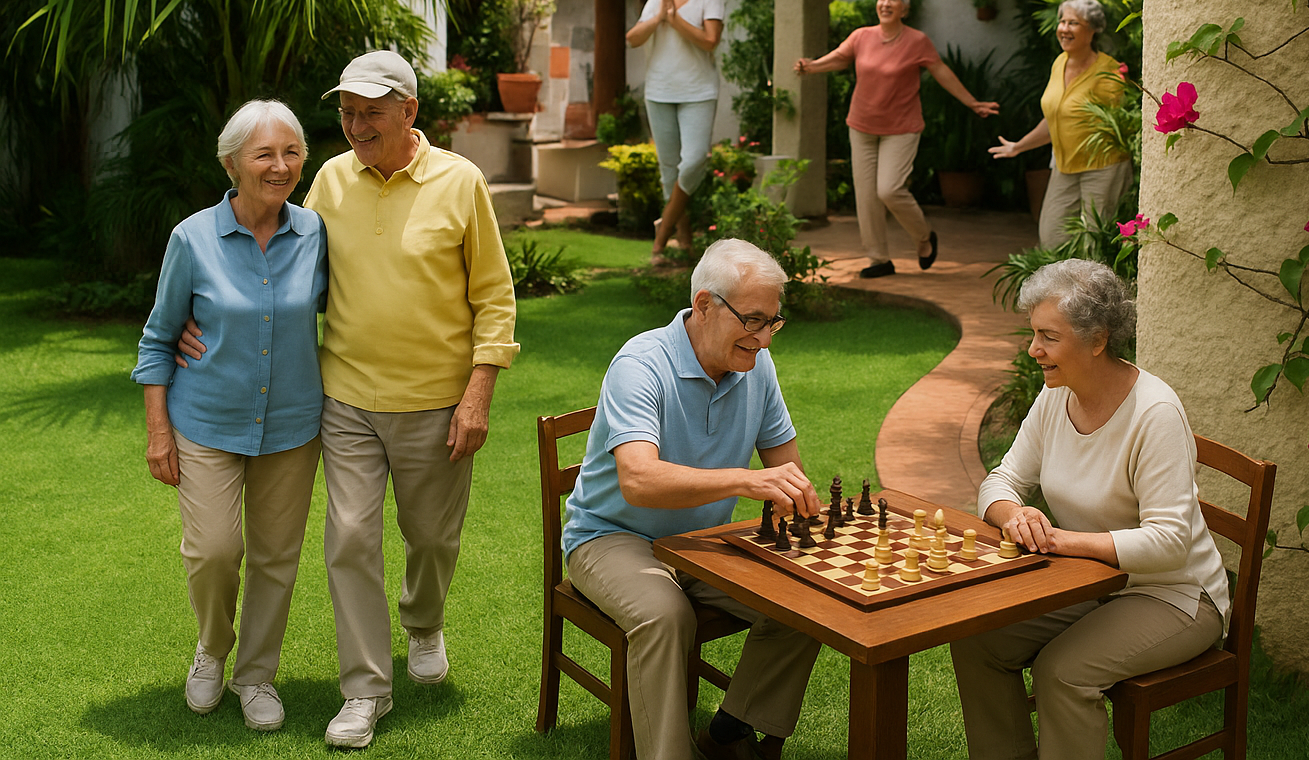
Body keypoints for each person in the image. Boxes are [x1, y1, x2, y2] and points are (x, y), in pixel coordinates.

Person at [179, 50, 519, 749]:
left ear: (409, 112)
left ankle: (423, 623)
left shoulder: (461, 182)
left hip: (437, 401)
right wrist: (207, 317)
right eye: (347, 111)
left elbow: (495, 297)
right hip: (346, 400)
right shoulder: (330, 180)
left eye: (371, 110)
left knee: (431, 539)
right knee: (352, 541)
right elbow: (282, 261)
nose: (356, 123)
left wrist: (478, 391)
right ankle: (365, 692)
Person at [948, 259, 1228, 760]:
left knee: (1063, 671)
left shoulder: (1155, 413)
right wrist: (1013, 514)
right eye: (1034, 334)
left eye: (1048, 337)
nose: (1034, 350)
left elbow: (1169, 543)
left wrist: (1058, 541)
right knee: (978, 641)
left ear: (1097, 339)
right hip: (1088, 582)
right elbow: (1001, 480)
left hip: (1175, 596)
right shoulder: (1058, 395)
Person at [562, 239, 824, 760]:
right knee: (665, 615)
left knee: (809, 601)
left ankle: (729, 730)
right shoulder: (640, 364)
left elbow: (786, 467)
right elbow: (638, 480)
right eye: (753, 320)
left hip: (701, 544)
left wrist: (794, 502)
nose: (764, 340)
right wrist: (743, 482)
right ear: (705, 305)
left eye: (773, 322)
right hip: (612, 538)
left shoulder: (756, 366)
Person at [133, 99, 328, 734]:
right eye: (264, 154)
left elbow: (352, 311)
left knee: (277, 556)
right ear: (232, 163)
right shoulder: (191, 238)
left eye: (292, 152)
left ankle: (256, 674)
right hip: (206, 423)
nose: (281, 165)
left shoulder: (317, 234)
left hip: (293, 425)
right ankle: (212, 649)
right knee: (214, 550)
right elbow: (159, 338)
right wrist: (158, 431)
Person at [795, 0, 998, 279]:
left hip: (902, 128)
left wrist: (972, 103)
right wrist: (812, 66)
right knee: (866, 196)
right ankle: (879, 259)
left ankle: (924, 236)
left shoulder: (917, 41)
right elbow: (840, 57)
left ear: (905, 8)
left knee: (889, 189)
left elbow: (941, 71)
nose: (885, 4)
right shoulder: (862, 36)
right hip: (862, 126)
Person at [988, 0, 1133, 250]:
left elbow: (1118, 125)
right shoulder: (1059, 63)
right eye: (1062, 21)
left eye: (1073, 23)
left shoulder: (1110, 71)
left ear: (1093, 29)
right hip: (1063, 165)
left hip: (1101, 167)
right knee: (1052, 236)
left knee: (1094, 241)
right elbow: (1056, 118)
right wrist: (1018, 147)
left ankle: (1090, 291)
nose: (1064, 28)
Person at [626, 0, 725, 266]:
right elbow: (633, 39)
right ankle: (683, 243)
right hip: (660, 91)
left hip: (698, 91)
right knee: (668, 170)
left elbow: (710, 41)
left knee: (694, 160)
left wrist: (675, 19)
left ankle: (660, 237)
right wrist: (659, 17)